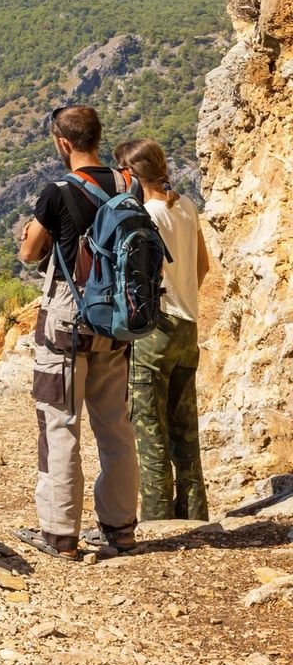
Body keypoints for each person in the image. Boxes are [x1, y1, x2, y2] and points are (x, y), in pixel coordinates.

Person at [16, 105, 139, 560]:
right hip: (118, 321)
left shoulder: (57, 191)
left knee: (60, 423)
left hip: (68, 320)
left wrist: (32, 230)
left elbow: (30, 253)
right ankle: (121, 529)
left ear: (63, 143)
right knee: (116, 427)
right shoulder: (129, 184)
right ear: (97, 137)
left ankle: (60, 535)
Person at [113, 138, 210, 521]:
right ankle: (195, 516)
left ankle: (158, 523)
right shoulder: (186, 206)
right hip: (188, 327)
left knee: (150, 432)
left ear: (133, 175)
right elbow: (202, 266)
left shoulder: (146, 215)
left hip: (155, 332)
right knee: (185, 431)